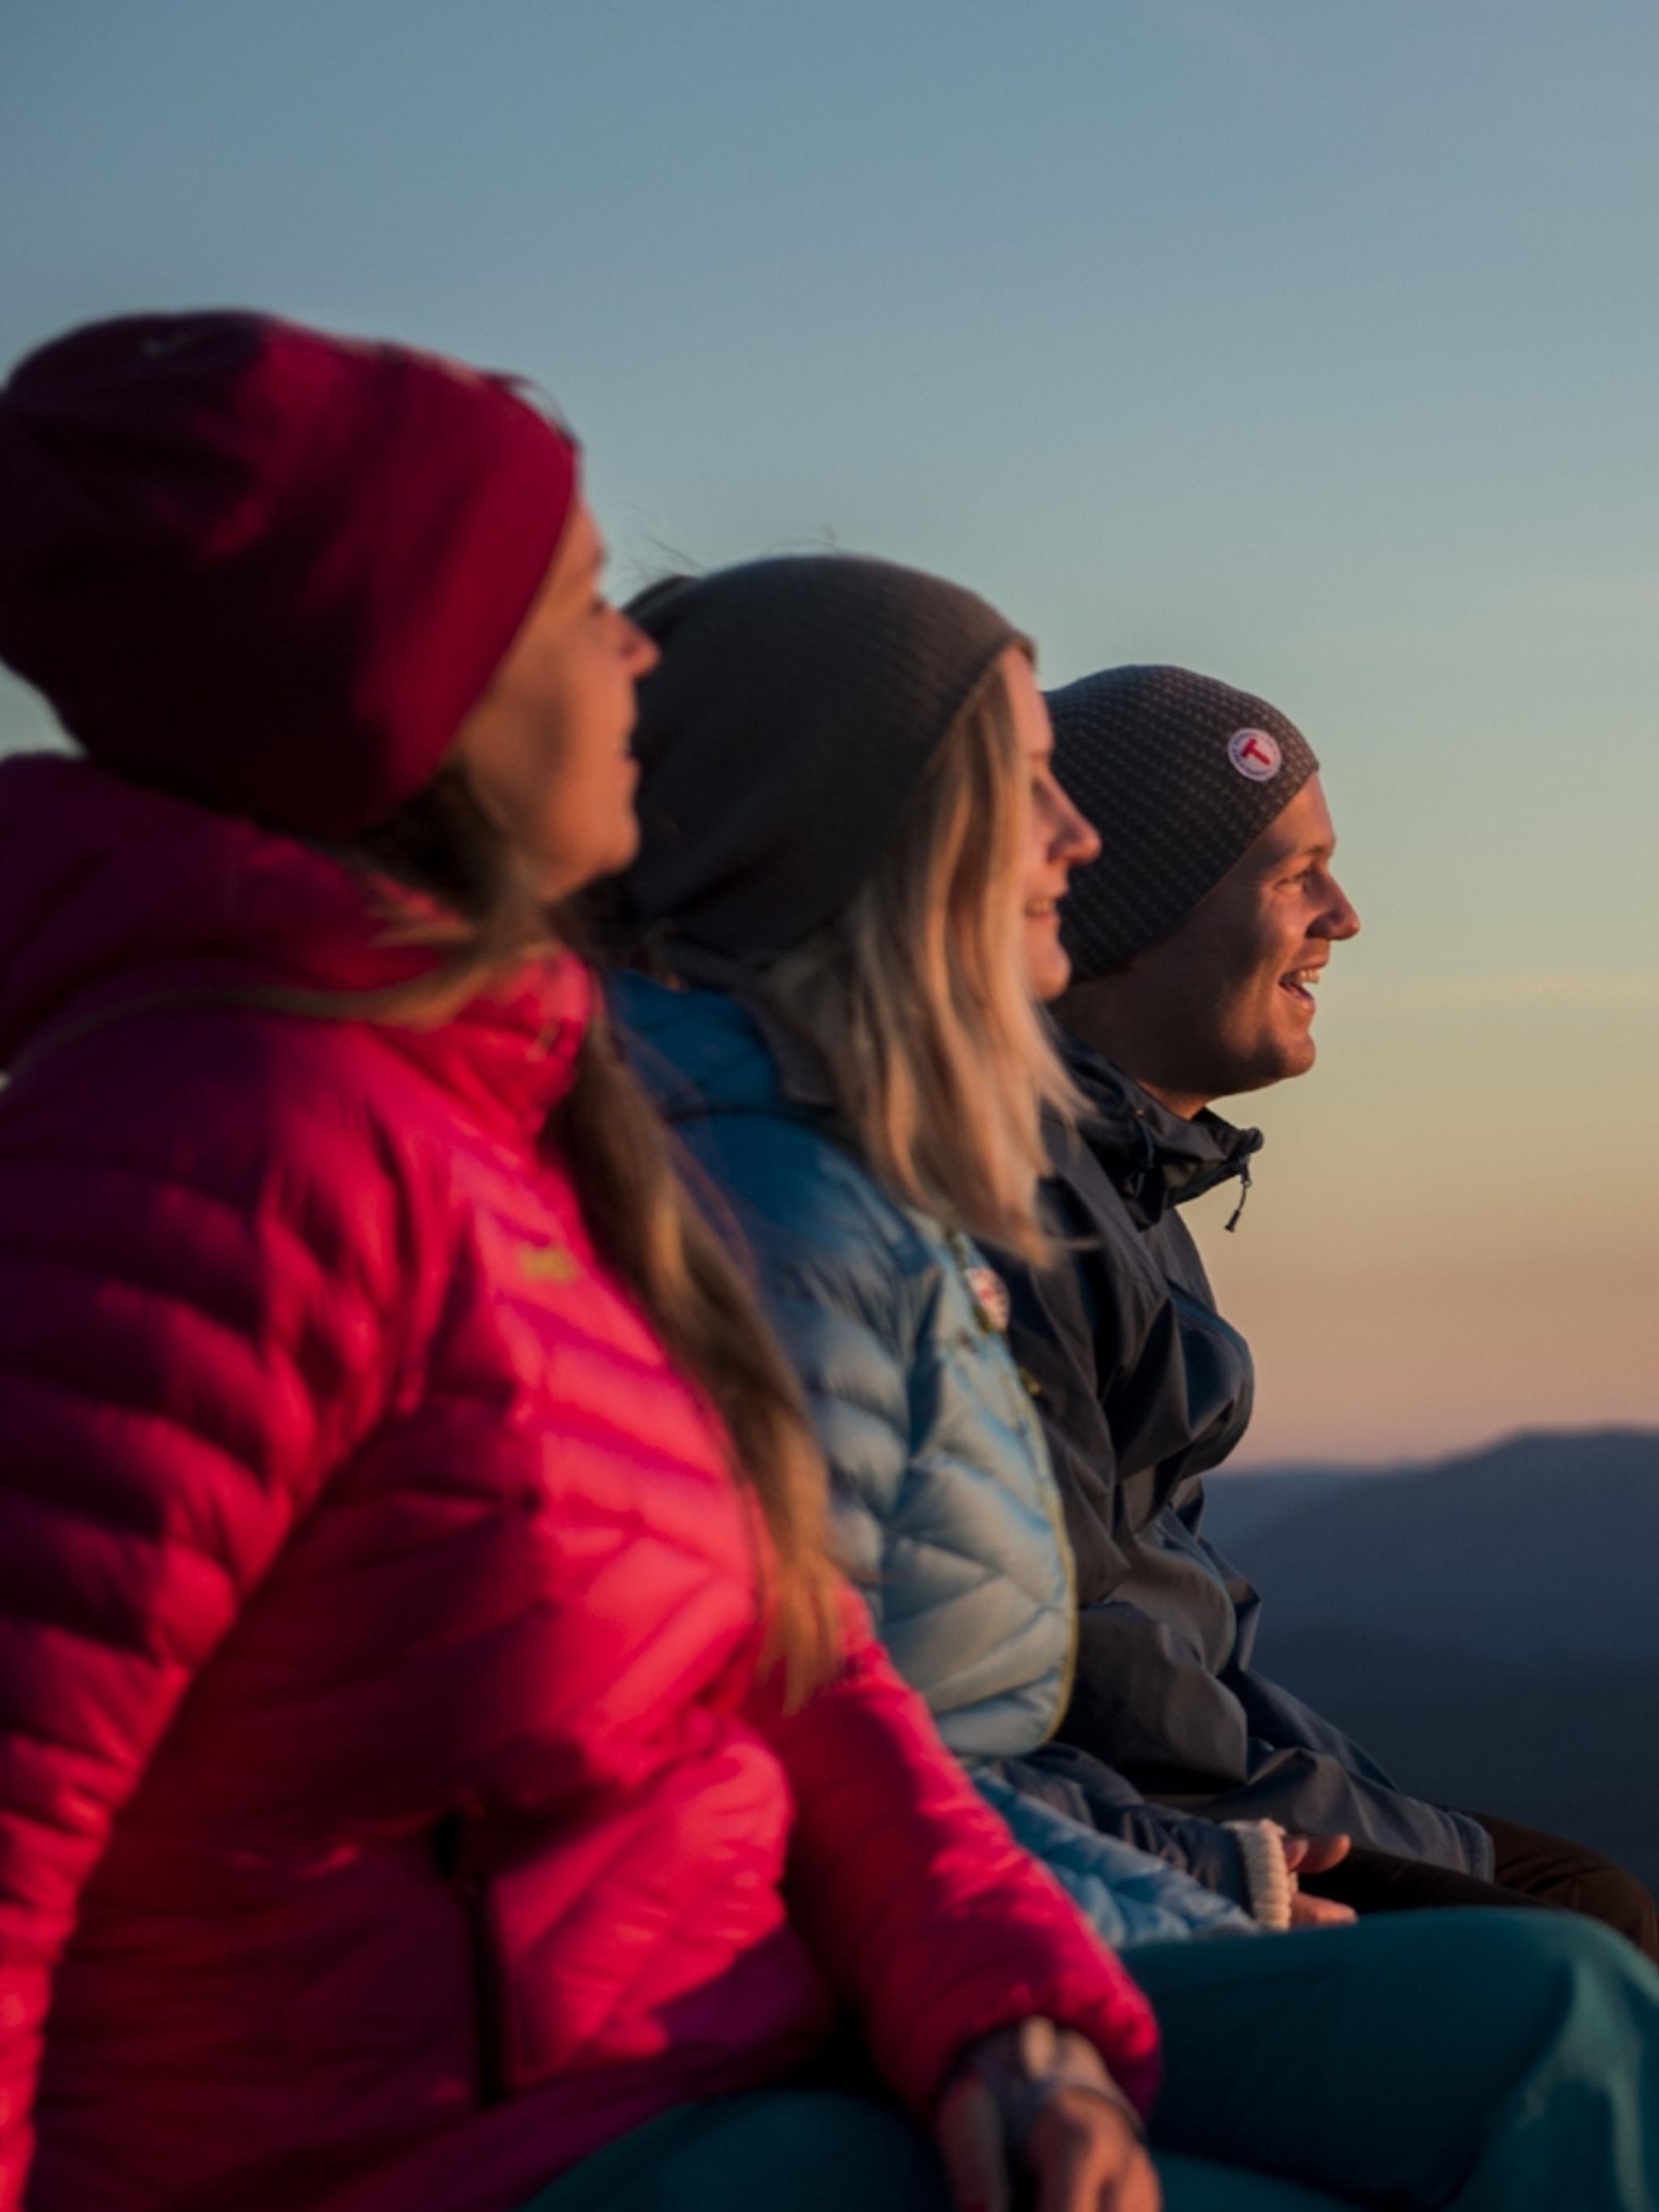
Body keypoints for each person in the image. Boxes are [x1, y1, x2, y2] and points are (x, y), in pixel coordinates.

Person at [0, 311, 1180, 2212]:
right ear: (424, 688)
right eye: (574, 602)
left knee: (1546, 2019)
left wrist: (1000, 2023)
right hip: (505, 2149)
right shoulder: (217, 1154)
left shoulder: (502, 1103)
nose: (637, 648)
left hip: (718, 2060)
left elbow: (795, 1665)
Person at [601, 551, 1659, 2208]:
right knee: (1563, 1970)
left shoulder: (1000, 1175)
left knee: (1570, 1934)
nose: (1348, 917)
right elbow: (979, 1698)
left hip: (1022, 1880)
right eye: (1293, 870)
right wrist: (1220, 1877)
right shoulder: (875, 1201)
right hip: (1005, 1892)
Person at [1000, 662, 1658, 1960]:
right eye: (1290, 872)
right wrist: (1362, 1826)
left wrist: (1395, 1813)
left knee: (1590, 1900)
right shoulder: (1031, 1209)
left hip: (1203, 1792)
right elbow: (1103, 1672)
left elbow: (1184, 1629)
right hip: (1154, 1830)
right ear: (1131, 912)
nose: (1344, 916)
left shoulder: (1126, 1189)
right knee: (1588, 1936)